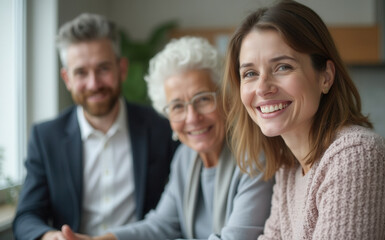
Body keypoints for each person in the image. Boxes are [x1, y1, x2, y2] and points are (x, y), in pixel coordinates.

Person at [222, 0, 385, 239]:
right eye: (250, 73)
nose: (262, 88)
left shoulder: (356, 157)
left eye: (283, 67)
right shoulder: (290, 168)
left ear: (325, 76)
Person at [61, 36, 274, 240]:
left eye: (203, 99)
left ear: (226, 97)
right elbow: (160, 225)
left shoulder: (255, 157)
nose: (192, 118)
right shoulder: (186, 157)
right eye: (177, 106)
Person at [13, 13, 178, 240]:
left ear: (122, 69)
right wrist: (50, 237)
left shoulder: (162, 128)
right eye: (81, 72)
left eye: (103, 69)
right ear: (67, 78)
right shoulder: (45, 137)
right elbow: (26, 216)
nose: (94, 84)